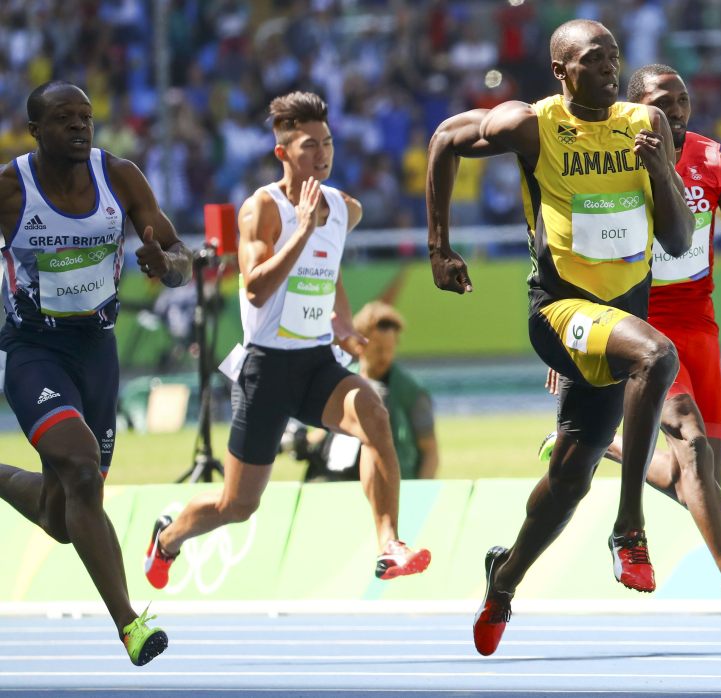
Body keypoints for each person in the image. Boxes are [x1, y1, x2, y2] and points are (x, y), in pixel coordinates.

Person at [427, 20, 694, 656]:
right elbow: (443, 139)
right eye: (593, 60)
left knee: (569, 480)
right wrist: (439, 247)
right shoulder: (532, 123)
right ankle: (629, 527)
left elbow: (679, 240)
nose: (608, 68)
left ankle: (503, 581)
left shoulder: (645, 126)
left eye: (615, 58)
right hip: (561, 311)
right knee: (658, 355)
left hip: (616, 321)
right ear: (560, 70)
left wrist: (659, 170)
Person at [540, 64, 721, 636]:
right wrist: (569, 340)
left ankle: (600, 442)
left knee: (702, 486)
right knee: (693, 447)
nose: (678, 110)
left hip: (699, 327)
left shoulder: (714, 163)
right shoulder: (606, 162)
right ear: (638, 109)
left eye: (683, 99)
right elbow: (566, 248)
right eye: (664, 101)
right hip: (638, 324)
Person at [143, 91, 431, 589]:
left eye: (327, 143)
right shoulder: (263, 209)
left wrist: (340, 321)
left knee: (374, 416)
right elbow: (254, 289)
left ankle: (388, 543)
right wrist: (301, 230)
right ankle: (167, 538)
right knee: (238, 504)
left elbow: (330, 265)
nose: (321, 155)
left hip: (316, 363)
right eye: (307, 146)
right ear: (282, 153)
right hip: (266, 369)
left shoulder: (344, 208)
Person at [0, 80, 192, 665]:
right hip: (32, 349)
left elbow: (182, 261)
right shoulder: (11, 189)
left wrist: (166, 264)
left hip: (96, 351)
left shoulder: (122, 177)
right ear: (35, 131)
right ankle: (129, 623)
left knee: (64, 516)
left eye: (86, 116)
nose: (81, 127)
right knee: (82, 471)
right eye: (64, 119)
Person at [299, 300, 439, 482]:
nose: (385, 356)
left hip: (388, 485)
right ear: (359, 344)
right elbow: (325, 431)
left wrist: (418, 494)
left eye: (390, 349)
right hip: (337, 481)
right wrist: (301, 442)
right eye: (379, 349)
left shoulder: (411, 392)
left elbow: (430, 451)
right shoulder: (338, 381)